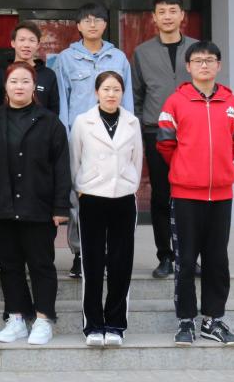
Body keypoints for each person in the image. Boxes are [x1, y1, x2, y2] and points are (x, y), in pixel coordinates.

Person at [157, 41, 234, 347]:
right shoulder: (175, 102)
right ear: (189, 66)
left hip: (221, 195)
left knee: (217, 260)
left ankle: (213, 320)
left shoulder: (232, 102)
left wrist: (218, 168)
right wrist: (187, 169)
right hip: (186, 195)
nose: (204, 65)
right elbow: (165, 144)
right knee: (185, 260)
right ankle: (185, 321)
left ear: (218, 65)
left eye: (210, 60)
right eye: (198, 60)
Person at [0, 62, 70, 346]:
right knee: (9, 265)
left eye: (25, 81)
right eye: (14, 81)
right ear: (5, 86)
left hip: (39, 206)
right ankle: (17, 318)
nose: (19, 86)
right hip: (2, 206)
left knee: (41, 264)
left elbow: (62, 167)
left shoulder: (50, 122)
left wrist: (61, 207)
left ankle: (44, 318)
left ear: (34, 86)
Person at [54, 3, 133, 279]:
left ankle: (109, 252)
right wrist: (65, 138)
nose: (92, 24)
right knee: (79, 199)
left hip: (113, 140)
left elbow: (128, 99)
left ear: (105, 24)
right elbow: (62, 100)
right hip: (80, 140)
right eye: (86, 20)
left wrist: (128, 136)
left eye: (97, 19)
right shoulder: (66, 59)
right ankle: (81, 253)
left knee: (113, 196)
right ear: (78, 26)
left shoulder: (118, 58)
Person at [70, 71, 142, 347]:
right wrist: (82, 188)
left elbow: (137, 160)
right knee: (92, 262)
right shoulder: (82, 122)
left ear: (122, 93)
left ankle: (115, 324)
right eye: (106, 89)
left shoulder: (132, 122)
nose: (111, 94)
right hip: (92, 198)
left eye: (116, 89)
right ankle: (93, 325)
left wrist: (129, 184)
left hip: (123, 198)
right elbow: (75, 160)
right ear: (96, 92)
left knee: (121, 262)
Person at [132, 0, 198, 279]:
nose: (168, 16)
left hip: (192, 132)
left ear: (182, 15)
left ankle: (189, 256)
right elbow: (136, 95)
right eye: (162, 11)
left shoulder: (197, 49)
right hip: (156, 131)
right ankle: (165, 256)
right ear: (154, 18)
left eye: (173, 11)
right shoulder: (142, 52)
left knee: (191, 196)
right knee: (161, 196)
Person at [0, 21, 59, 115]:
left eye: (32, 40)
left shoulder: (48, 75)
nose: (26, 45)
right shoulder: (0, 75)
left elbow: (54, 112)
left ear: (38, 45)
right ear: (13, 43)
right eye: (22, 40)